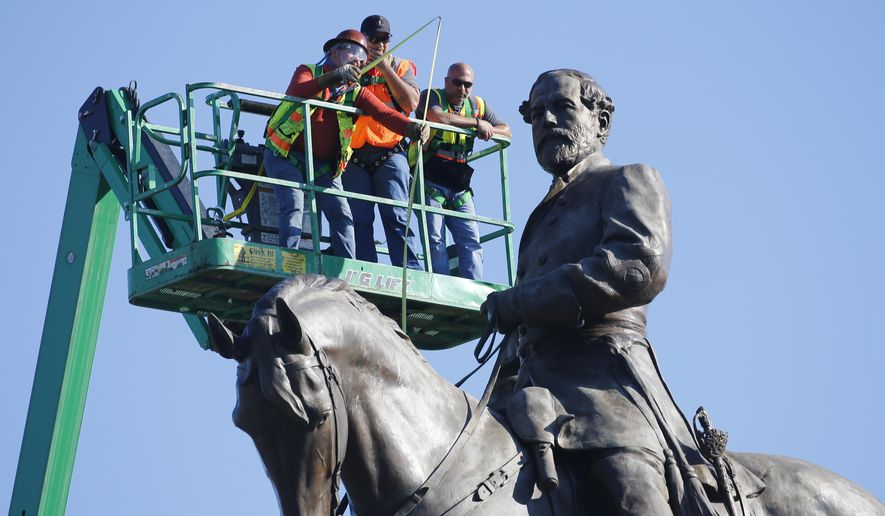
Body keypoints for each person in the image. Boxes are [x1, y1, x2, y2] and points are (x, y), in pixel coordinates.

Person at [482, 69, 720, 514]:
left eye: (561, 108)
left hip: (606, 389)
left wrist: (519, 302)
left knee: (630, 493)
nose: (547, 121)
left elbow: (638, 267)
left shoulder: (627, 179)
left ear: (602, 122)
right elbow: (522, 335)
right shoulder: (538, 220)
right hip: (533, 396)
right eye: (535, 115)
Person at [263, 29, 428, 255]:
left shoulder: (354, 91)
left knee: (342, 214)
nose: (358, 59)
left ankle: (346, 272)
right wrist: (333, 76)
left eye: (361, 54)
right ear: (333, 51)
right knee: (294, 205)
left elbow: (383, 114)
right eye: (352, 51)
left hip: (324, 166)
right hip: (285, 155)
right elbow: (298, 91)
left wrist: (412, 128)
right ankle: (289, 261)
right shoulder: (308, 72)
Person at [342, 15, 422, 268]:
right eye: (373, 38)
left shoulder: (401, 66)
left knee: (397, 216)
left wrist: (384, 67)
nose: (378, 43)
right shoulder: (349, 66)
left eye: (383, 38)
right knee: (359, 218)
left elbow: (411, 103)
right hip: (354, 154)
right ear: (362, 39)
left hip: (390, 153)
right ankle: (364, 270)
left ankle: (410, 273)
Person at [416, 63, 510, 279]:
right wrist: (477, 123)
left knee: (471, 240)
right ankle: (437, 285)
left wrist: (488, 128)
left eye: (467, 84)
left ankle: (474, 289)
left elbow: (507, 131)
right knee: (435, 240)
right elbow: (438, 118)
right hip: (431, 179)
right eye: (457, 83)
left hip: (460, 185)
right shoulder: (432, 96)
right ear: (447, 81)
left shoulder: (477, 104)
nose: (462, 89)